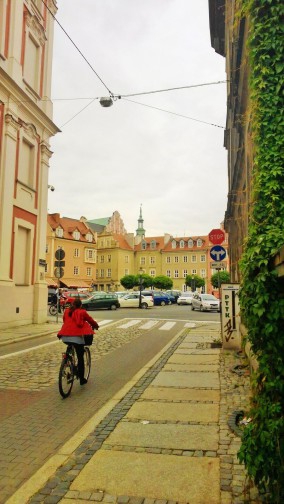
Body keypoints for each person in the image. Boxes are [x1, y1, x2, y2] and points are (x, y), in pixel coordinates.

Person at [57, 298, 99, 385]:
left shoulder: (67, 311)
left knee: (70, 346)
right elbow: (90, 320)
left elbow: (65, 321)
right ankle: (82, 379)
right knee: (80, 357)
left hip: (64, 336)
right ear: (80, 305)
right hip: (77, 338)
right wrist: (96, 326)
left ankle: (67, 361)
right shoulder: (82, 312)